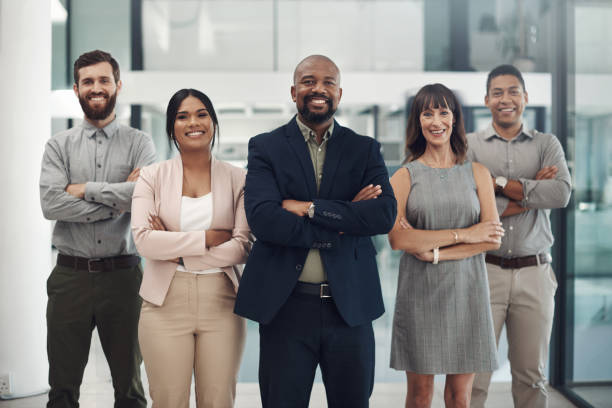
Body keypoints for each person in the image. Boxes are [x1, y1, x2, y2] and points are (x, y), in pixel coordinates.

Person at [234, 55, 396, 408]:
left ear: (339, 93)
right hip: (287, 307)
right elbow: (263, 219)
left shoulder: (364, 149)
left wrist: (308, 208)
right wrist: (346, 216)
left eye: (328, 82)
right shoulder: (266, 147)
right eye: (308, 81)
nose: (318, 89)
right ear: (294, 91)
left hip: (350, 307)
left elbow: (383, 215)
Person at [40, 50, 156, 408]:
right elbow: (52, 205)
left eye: (103, 80)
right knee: (62, 389)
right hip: (69, 277)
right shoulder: (58, 146)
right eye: (88, 81)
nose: (96, 87)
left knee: (131, 389)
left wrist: (87, 189)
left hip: (123, 278)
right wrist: (118, 197)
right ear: (76, 89)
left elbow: (146, 197)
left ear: (117, 85)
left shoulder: (140, 143)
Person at [131, 88, 251, 408]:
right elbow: (143, 239)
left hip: (223, 302)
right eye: (182, 116)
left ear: (213, 122)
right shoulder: (151, 177)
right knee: (169, 400)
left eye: (201, 114)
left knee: (218, 401)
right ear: (172, 127)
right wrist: (206, 238)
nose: (193, 122)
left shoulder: (239, 178)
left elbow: (241, 247)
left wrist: (174, 247)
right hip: (163, 303)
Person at [388, 83, 504, 408]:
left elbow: (491, 237)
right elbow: (399, 239)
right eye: (427, 113)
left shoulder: (477, 173)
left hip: (468, 291)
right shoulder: (404, 176)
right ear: (418, 121)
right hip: (420, 294)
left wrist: (435, 252)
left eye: (443, 111)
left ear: (455, 119)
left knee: (459, 397)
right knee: (421, 395)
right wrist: (466, 233)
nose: (436, 120)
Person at [468, 65, 571, 408]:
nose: (505, 99)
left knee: (531, 375)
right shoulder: (469, 147)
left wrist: (496, 184)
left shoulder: (547, 144)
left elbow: (559, 195)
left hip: (535, 273)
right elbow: (468, 209)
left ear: (525, 98)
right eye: (497, 92)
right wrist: (530, 194)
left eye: (513, 91)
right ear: (487, 100)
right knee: (473, 376)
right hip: (484, 272)